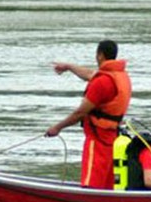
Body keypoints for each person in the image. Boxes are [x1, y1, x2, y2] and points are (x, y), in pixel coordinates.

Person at [46, 40, 132, 189]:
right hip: (113, 138)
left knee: (92, 183)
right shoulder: (119, 75)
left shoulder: (102, 83)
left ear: (100, 55)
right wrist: (69, 67)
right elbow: (89, 74)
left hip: (97, 138)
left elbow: (80, 112)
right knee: (107, 185)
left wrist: (57, 127)